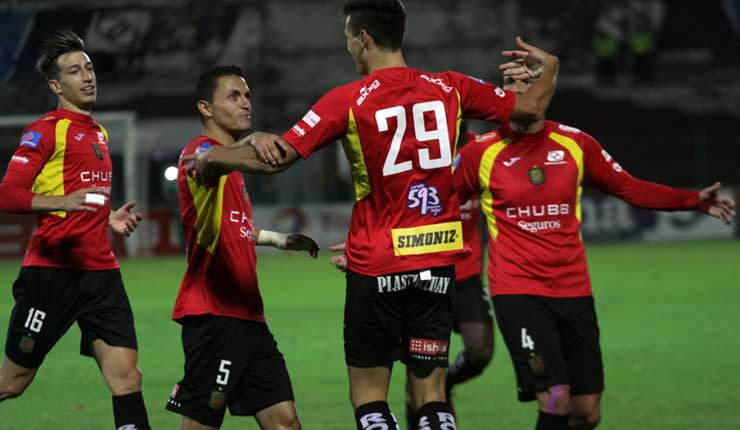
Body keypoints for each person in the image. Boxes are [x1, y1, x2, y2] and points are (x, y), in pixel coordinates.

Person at [183, 1, 559, 428]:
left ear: (362, 38)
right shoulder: (452, 86)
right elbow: (530, 109)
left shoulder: (346, 100)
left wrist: (217, 159)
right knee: (432, 396)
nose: (347, 47)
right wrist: (551, 67)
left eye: (347, 38)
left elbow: (279, 158)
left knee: (369, 397)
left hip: (375, 263)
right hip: (436, 263)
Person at [452, 68, 736, 430]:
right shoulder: (480, 152)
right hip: (518, 291)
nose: (521, 95)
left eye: (528, 85)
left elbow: (630, 188)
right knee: (555, 399)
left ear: (544, 93)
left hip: (573, 289)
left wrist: (693, 201)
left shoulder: (575, 144)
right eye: (511, 88)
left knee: (586, 412)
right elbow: (436, 203)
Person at [0, 30, 149, 430]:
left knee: (127, 379)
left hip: (101, 275)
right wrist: (61, 202)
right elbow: (8, 194)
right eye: (74, 70)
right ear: (55, 85)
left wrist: (110, 216)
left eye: (89, 67)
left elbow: (88, 198)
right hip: (51, 275)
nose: (87, 76)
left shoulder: (98, 132)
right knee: (12, 383)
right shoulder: (45, 130)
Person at [165, 65, 319, 430]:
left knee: (285, 422)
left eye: (247, 95)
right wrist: (256, 140)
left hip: (249, 317)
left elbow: (236, 229)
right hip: (214, 315)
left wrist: (279, 240)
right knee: (201, 423)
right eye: (234, 96)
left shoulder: (228, 167)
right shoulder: (200, 152)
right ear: (206, 108)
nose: (246, 103)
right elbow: (214, 160)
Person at [328, 127, 495, 429]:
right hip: (417, 269)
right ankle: (428, 401)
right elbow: (396, 208)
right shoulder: (419, 148)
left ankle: (446, 385)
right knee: (423, 378)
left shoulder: (480, 149)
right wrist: (369, 248)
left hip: (465, 275)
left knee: (480, 351)